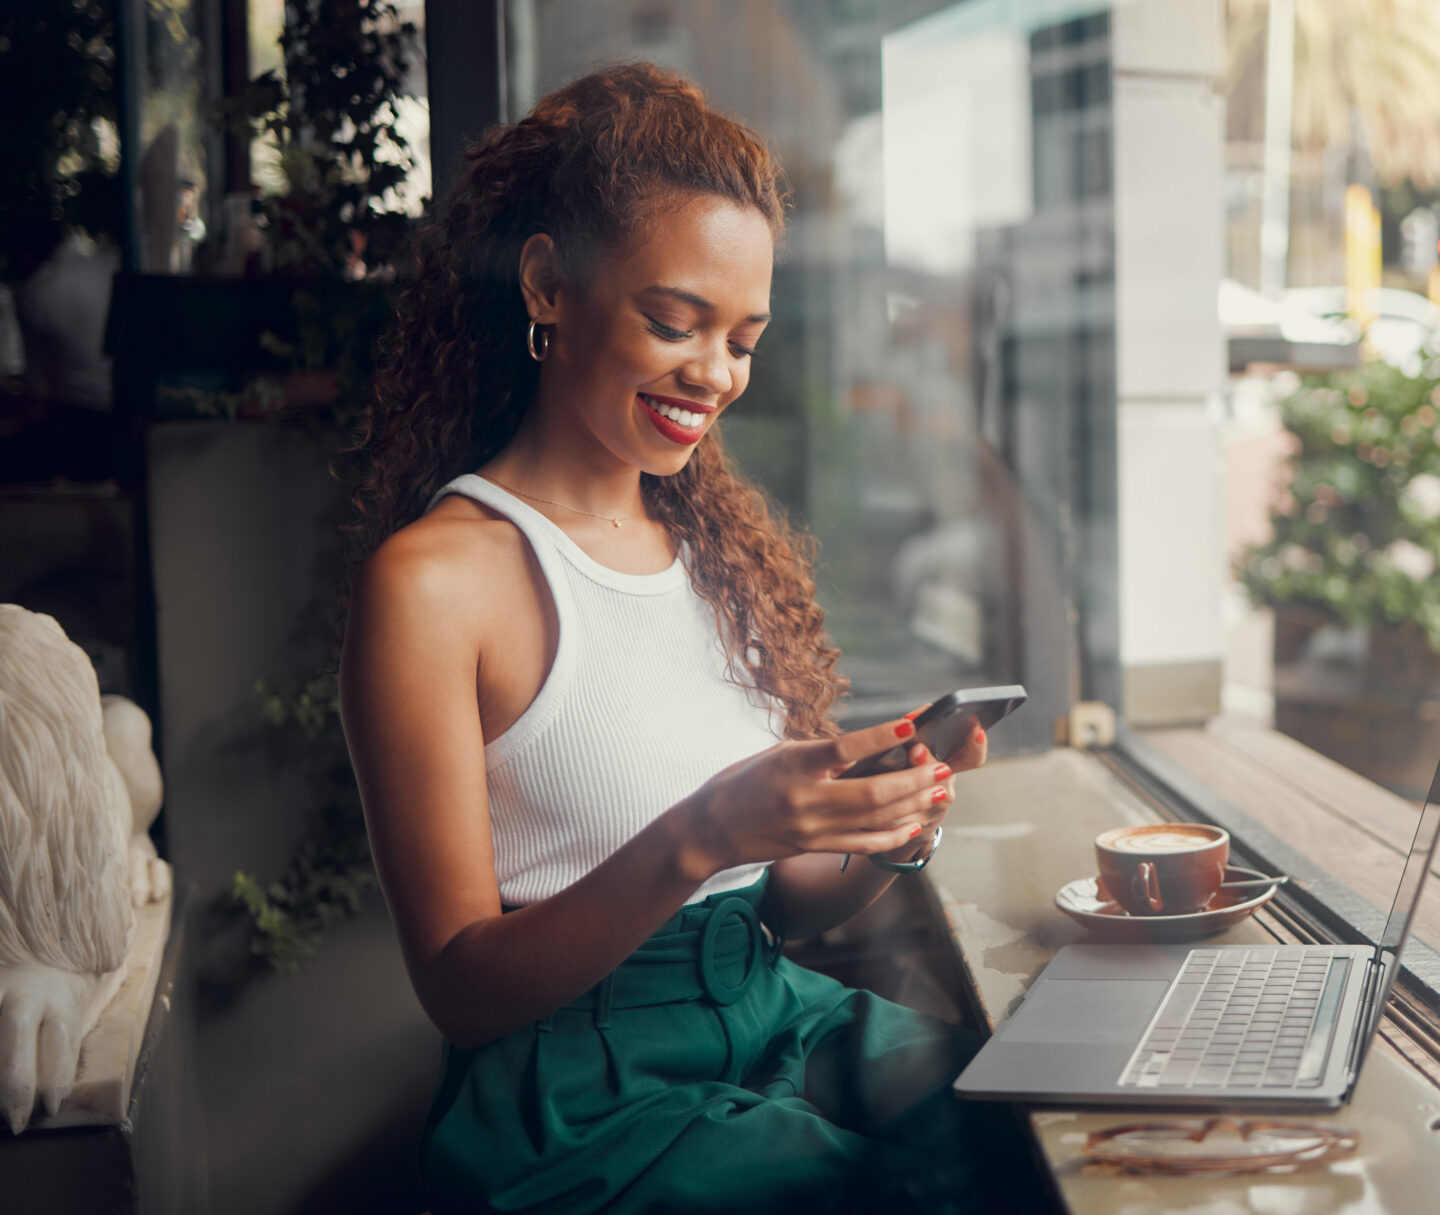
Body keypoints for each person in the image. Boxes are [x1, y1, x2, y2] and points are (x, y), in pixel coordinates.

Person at [337, 62, 1033, 1215]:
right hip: (576, 1090)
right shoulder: (434, 583)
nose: (714, 374)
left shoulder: (711, 553)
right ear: (549, 284)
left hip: (771, 1005)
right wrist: (706, 829)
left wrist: (885, 827)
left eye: (743, 338)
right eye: (676, 321)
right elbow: (459, 988)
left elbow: (787, 903)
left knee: (1025, 1126)